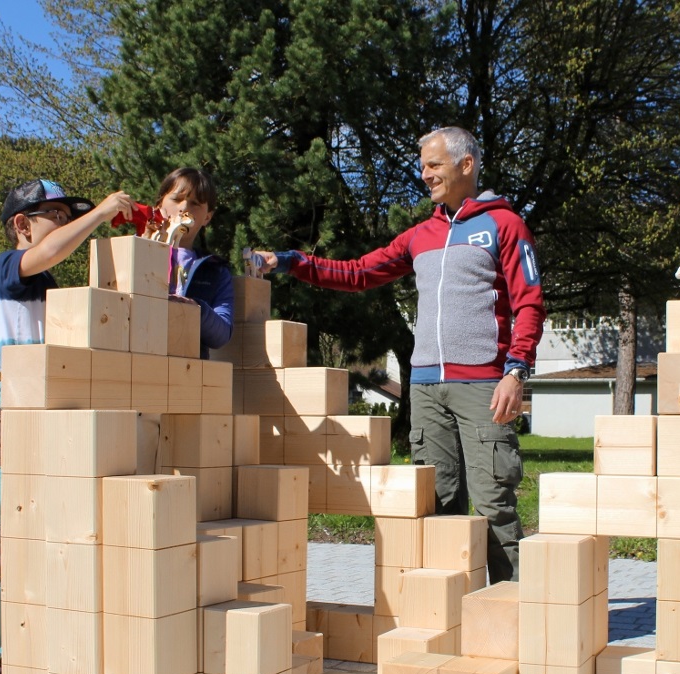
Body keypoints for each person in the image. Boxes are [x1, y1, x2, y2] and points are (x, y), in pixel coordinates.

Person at [252, 126, 545, 583]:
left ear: (466, 165)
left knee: (494, 506)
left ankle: (514, 611)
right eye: (422, 165)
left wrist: (516, 371)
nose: (424, 173)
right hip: (426, 389)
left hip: (485, 385)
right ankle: (455, 617)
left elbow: (529, 301)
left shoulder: (504, 225)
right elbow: (357, 273)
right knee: (441, 507)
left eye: (433, 164)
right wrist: (291, 261)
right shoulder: (420, 235)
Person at [0, 180, 136, 674]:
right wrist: (101, 213)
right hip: (10, 414)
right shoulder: (9, 269)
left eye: (66, 215)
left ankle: (25, 646)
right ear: (22, 225)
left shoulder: (50, 285)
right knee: (2, 542)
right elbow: (50, 251)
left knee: (46, 536)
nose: (62, 223)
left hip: (49, 416)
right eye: (52, 215)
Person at [155, 167, 235, 358]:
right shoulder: (134, 250)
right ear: (159, 205)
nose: (184, 208)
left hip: (188, 370)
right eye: (176, 199)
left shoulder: (216, 271)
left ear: (207, 216)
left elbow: (222, 334)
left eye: (195, 203)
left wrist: (195, 309)